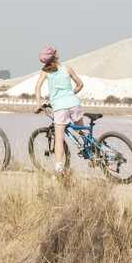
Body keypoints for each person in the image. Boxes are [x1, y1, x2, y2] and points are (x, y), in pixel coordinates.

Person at [34, 46, 84, 176]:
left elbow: (37, 88)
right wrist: (71, 94)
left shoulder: (45, 72)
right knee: (82, 132)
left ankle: (59, 169)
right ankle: (95, 154)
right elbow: (80, 85)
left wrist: (39, 104)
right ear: (56, 55)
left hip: (60, 107)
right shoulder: (67, 68)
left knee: (59, 139)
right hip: (74, 103)